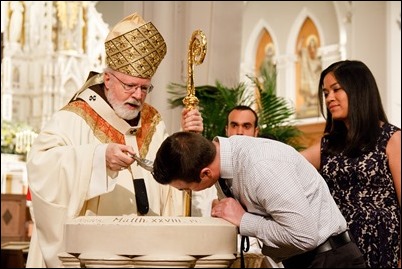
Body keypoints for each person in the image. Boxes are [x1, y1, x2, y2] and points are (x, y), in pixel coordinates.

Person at [25, 12, 203, 268]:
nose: (137, 95)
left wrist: (189, 139)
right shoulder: (76, 116)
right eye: (129, 86)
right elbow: (41, 166)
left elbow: (171, 180)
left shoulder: (153, 121)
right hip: (95, 254)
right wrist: (97, 158)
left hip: (148, 251)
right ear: (107, 78)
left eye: (144, 88)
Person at [152, 131, 367, 268]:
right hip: (307, 260)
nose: (190, 192)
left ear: (205, 173)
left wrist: (244, 220)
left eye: (186, 188)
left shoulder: (261, 167)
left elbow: (304, 235)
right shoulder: (223, 157)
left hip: (331, 260)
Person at [300, 60, 401, 268]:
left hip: (383, 248)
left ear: (358, 89)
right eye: (326, 92)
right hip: (340, 250)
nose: (329, 98)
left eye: (336, 89)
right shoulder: (328, 145)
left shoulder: (392, 139)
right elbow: (289, 163)